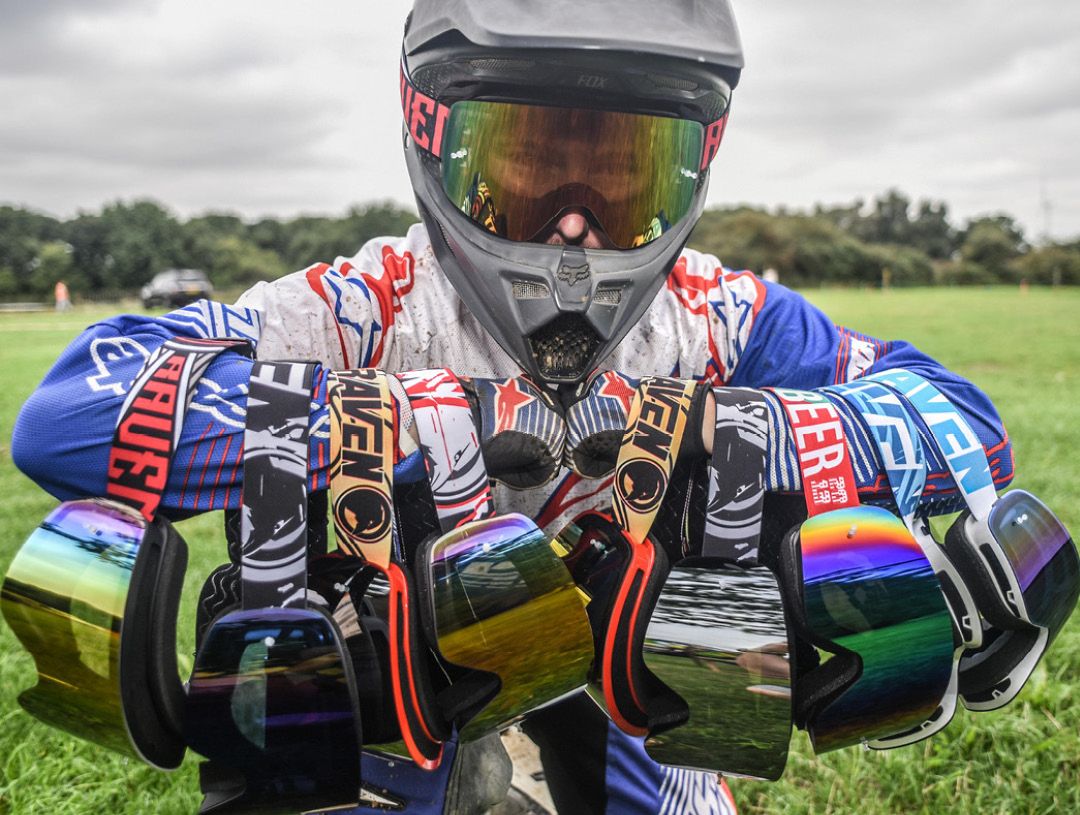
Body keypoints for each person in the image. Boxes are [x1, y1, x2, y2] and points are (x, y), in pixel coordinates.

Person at [11, 1, 1013, 813]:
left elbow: (966, 419)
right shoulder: (369, 302)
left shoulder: (721, 308)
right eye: (525, 162)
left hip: (638, 656)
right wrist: (394, 421)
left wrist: (772, 436)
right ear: (431, 137)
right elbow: (70, 411)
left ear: (695, 164)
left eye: (624, 169)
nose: (571, 218)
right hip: (407, 662)